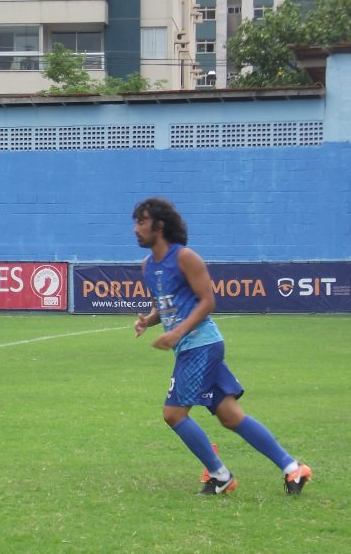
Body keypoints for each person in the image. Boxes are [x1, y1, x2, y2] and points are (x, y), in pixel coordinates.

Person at [131, 197, 312, 496]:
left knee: (173, 414)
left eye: (141, 222)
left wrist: (176, 333)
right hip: (191, 346)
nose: (135, 229)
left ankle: (220, 475)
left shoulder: (185, 258)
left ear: (159, 226)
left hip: (201, 344)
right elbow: (164, 308)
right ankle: (293, 469)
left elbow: (208, 301)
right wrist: (148, 321)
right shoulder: (147, 266)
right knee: (230, 416)